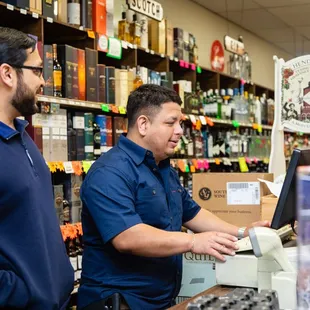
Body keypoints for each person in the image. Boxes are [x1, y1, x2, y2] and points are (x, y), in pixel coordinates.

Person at [78, 84, 269, 310]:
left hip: (158, 300)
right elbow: (127, 237)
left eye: (180, 123)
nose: (179, 131)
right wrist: (192, 241)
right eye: (170, 123)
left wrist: (240, 232)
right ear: (143, 124)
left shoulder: (162, 168)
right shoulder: (109, 172)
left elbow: (192, 212)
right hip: (121, 302)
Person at [0, 27, 74, 309]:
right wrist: (20, 293)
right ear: (8, 74)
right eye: (37, 71)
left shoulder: (23, 136)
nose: (43, 81)